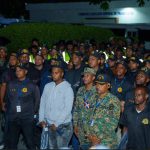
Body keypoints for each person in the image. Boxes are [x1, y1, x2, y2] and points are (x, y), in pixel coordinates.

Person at [39, 62, 74, 149]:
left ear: (62, 74)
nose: (53, 75)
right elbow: (43, 103)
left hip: (63, 126)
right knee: (52, 147)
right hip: (49, 124)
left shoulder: (67, 88)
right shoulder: (48, 86)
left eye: (56, 73)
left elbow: (67, 109)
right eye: (52, 73)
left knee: (61, 147)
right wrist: (41, 119)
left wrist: (57, 123)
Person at [5, 63, 40, 149]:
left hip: (27, 118)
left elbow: (37, 101)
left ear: (26, 71)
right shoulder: (11, 84)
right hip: (13, 118)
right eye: (16, 71)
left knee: (30, 141)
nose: (17, 72)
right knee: (12, 142)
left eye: (20, 70)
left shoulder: (32, 85)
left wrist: (32, 113)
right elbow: (8, 100)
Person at [86, 74, 120, 149]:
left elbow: (112, 124)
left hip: (106, 142)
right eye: (97, 83)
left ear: (108, 85)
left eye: (101, 84)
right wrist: (90, 135)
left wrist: (98, 138)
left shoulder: (113, 101)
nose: (98, 86)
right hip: (92, 139)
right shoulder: (93, 98)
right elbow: (88, 116)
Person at [73, 67, 97, 149]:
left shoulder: (97, 91)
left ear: (93, 77)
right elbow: (76, 108)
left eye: (87, 75)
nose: (84, 78)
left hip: (92, 129)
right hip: (80, 127)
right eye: (84, 76)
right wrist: (75, 124)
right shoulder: (80, 90)